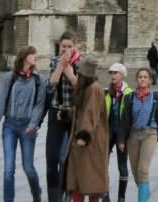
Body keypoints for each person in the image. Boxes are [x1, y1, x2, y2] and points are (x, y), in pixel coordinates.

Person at [0, 45, 46, 202]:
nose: (35, 57)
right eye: (33, 54)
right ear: (25, 56)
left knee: (28, 167)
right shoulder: (9, 78)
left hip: (28, 127)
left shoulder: (39, 80)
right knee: (8, 169)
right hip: (10, 126)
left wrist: (33, 124)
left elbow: (39, 105)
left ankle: (36, 192)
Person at [63, 56, 109, 202]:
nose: (77, 75)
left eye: (79, 73)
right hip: (83, 141)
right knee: (78, 181)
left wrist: (83, 135)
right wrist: (67, 114)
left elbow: (91, 114)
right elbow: (82, 111)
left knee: (91, 182)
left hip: (91, 143)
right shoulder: (86, 88)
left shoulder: (94, 89)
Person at [118, 67, 158, 202]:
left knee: (143, 169)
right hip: (133, 135)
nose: (143, 79)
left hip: (150, 134)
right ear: (137, 79)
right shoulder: (129, 98)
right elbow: (125, 120)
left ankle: (143, 199)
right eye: (140, 77)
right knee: (135, 171)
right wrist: (121, 139)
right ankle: (145, 192)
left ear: (150, 80)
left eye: (145, 77)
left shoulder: (156, 98)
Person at [46, 31, 80, 202]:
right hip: (56, 112)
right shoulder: (53, 62)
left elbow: (82, 91)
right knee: (52, 157)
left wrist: (70, 72)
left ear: (75, 47)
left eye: (69, 46)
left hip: (73, 114)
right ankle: (54, 197)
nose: (66, 50)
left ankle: (67, 192)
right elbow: (50, 89)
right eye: (63, 46)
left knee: (65, 157)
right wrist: (60, 67)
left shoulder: (80, 63)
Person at [106, 62, 132, 201]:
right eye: (110, 73)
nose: (112, 75)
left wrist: (122, 138)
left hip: (122, 134)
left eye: (115, 73)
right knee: (103, 165)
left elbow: (128, 119)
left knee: (122, 165)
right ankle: (105, 196)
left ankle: (121, 197)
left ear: (122, 75)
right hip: (109, 133)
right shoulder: (108, 92)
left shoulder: (129, 94)